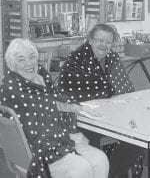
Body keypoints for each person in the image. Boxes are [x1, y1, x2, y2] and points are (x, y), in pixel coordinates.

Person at [0, 38, 109, 178]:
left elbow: (54, 99)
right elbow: (45, 107)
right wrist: (67, 108)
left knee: (100, 159)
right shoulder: (11, 89)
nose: (29, 63)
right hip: (38, 149)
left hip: (61, 138)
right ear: (12, 65)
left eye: (32, 57)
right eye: (21, 59)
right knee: (81, 168)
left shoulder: (42, 76)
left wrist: (74, 107)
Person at [57, 23, 144, 178]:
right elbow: (69, 91)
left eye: (108, 42)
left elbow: (126, 89)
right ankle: (99, 171)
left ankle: (113, 173)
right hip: (80, 117)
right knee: (93, 137)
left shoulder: (112, 58)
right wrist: (108, 90)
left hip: (113, 113)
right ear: (90, 40)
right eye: (99, 40)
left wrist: (110, 93)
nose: (104, 45)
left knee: (137, 134)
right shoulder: (76, 58)